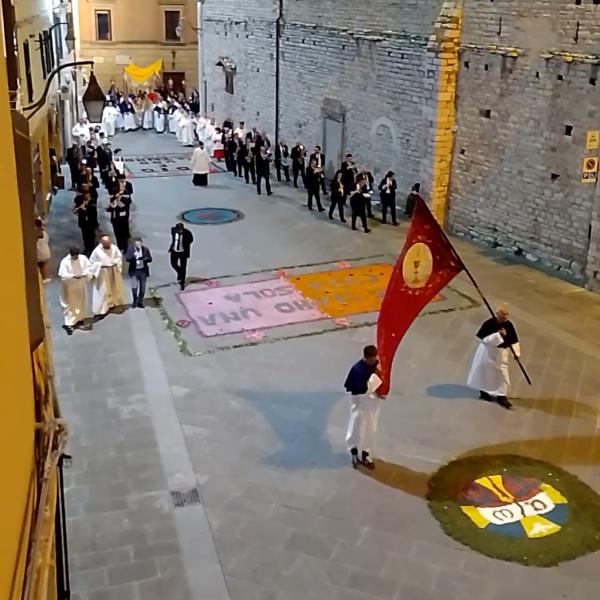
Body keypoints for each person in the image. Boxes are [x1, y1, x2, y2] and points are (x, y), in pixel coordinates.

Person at [467, 306, 521, 410]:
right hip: (488, 352)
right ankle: (484, 392)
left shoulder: (509, 325)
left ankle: (501, 396)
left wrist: (516, 353)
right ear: (497, 314)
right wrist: (498, 336)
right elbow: (484, 339)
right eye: (502, 316)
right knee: (486, 373)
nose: (504, 318)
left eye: (506, 316)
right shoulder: (489, 323)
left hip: (501, 353)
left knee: (502, 375)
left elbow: (514, 340)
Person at [344, 345, 385, 469]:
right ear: (366, 358)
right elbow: (362, 389)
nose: (374, 360)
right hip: (360, 402)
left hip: (370, 404)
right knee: (356, 427)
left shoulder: (375, 365)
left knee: (370, 428)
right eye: (372, 358)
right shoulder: (358, 370)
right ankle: (354, 452)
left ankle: (366, 453)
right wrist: (375, 381)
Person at [89, 235, 127, 317]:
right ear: (102, 243)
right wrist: (99, 265)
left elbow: (119, 257)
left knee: (114, 288)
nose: (108, 246)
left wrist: (116, 262)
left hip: (113, 270)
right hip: (103, 272)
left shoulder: (114, 248)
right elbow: (92, 262)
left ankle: (114, 303)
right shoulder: (96, 251)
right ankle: (103, 308)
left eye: (109, 244)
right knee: (104, 291)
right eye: (106, 244)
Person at [58, 246, 92, 335]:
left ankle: (79, 319)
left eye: (77, 256)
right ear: (71, 255)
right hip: (70, 287)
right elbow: (63, 275)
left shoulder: (83, 258)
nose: (76, 258)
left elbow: (89, 269)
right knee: (71, 304)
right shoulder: (65, 261)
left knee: (81, 302)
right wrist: (73, 276)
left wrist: (86, 274)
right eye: (74, 257)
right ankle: (69, 324)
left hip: (80, 285)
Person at [124, 237, 153, 308]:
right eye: (136, 245)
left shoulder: (145, 250)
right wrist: (134, 255)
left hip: (143, 271)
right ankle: (134, 301)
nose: (138, 246)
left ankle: (140, 301)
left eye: (139, 244)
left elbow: (150, 259)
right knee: (134, 287)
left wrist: (145, 259)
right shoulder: (131, 250)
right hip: (134, 271)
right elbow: (127, 259)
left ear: (141, 243)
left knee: (142, 288)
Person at [169, 222, 194, 290]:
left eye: (180, 230)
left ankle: (182, 283)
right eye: (178, 230)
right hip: (174, 251)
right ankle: (180, 272)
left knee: (183, 267)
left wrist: (184, 244)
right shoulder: (173, 230)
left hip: (183, 252)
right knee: (173, 264)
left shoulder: (187, 233)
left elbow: (191, 240)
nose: (179, 231)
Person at [106, 188, 132, 253]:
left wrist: (118, 201)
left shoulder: (125, 199)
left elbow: (123, 206)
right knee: (117, 235)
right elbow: (110, 209)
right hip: (115, 220)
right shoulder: (112, 200)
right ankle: (119, 247)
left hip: (123, 220)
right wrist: (110, 207)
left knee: (124, 235)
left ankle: (125, 248)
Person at [73, 186, 96, 255]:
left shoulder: (92, 201)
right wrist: (81, 206)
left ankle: (92, 249)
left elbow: (93, 211)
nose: (87, 196)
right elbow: (76, 201)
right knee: (85, 236)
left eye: (88, 194)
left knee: (91, 236)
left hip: (91, 222)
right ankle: (87, 247)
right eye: (85, 194)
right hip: (83, 222)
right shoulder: (80, 200)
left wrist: (85, 208)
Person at [35, 218, 52, 282]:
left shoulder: (38, 234)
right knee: (44, 269)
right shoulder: (44, 233)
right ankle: (45, 278)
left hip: (39, 254)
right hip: (46, 253)